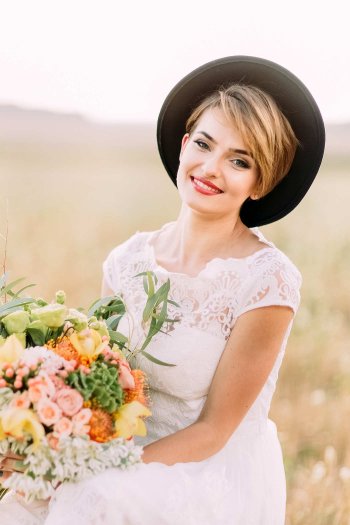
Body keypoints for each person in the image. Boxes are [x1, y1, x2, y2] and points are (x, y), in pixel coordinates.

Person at [0, 55, 325, 524]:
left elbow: (214, 431)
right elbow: (103, 388)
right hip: (117, 452)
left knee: (91, 501)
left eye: (239, 161)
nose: (211, 168)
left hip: (203, 471)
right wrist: (44, 438)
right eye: (205, 144)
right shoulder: (127, 260)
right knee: (22, 501)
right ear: (183, 145)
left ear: (260, 183)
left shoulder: (266, 280)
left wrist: (91, 471)